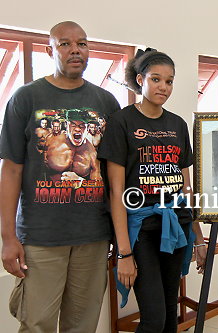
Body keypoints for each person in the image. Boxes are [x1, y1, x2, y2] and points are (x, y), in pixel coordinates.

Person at [0, 21, 120, 333]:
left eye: (82, 43)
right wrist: (8, 237)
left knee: (82, 324)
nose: (75, 50)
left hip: (93, 236)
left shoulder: (106, 103)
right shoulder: (26, 98)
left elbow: (115, 174)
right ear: (49, 50)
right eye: (65, 44)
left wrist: (120, 235)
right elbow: (11, 170)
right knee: (36, 323)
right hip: (41, 238)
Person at [98, 48, 207, 332]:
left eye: (169, 81)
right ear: (140, 80)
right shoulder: (122, 122)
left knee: (171, 313)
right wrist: (123, 253)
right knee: (154, 318)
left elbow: (186, 187)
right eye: (156, 79)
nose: (163, 87)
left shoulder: (177, 124)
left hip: (176, 225)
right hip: (141, 230)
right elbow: (116, 192)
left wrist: (198, 238)